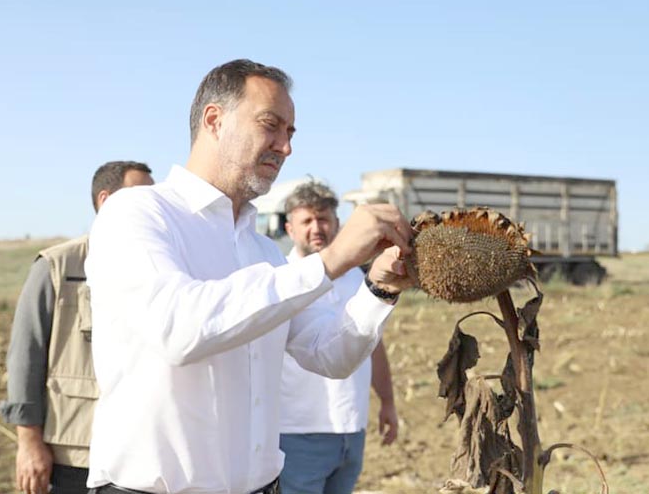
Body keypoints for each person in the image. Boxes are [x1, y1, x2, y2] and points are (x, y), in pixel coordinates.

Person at [84, 59, 414, 494]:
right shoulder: (136, 213)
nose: (285, 147)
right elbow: (179, 329)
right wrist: (331, 260)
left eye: (290, 133)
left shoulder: (262, 251)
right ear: (214, 120)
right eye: (270, 125)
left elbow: (327, 354)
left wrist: (379, 288)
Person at [0, 161, 154, 494]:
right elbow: (26, 356)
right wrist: (28, 443)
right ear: (105, 200)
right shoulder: (57, 265)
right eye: (141, 196)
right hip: (75, 451)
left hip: (140, 453)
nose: (153, 206)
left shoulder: (161, 265)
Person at [278, 181, 398, 494]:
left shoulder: (358, 277)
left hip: (351, 428)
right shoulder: (280, 279)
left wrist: (387, 401)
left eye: (324, 219)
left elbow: (373, 341)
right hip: (298, 432)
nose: (316, 228)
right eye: (307, 221)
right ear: (290, 228)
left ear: (338, 224)